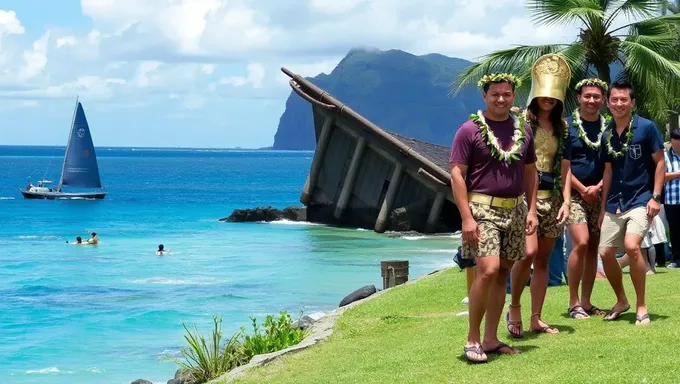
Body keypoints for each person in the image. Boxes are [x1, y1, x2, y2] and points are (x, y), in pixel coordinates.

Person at [450, 72, 537, 363]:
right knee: (487, 270)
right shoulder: (469, 130)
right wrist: (466, 218)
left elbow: (530, 171)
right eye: (495, 94)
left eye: (507, 94)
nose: (501, 99)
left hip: (516, 208)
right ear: (485, 96)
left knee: (503, 274)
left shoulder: (523, 130)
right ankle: (472, 339)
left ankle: (490, 338)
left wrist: (532, 209)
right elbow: (457, 175)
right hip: (482, 209)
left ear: (514, 96)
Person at [507, 54, 571, 337]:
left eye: (553, 96)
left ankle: (536, 317)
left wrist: (567, 201)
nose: (548, 100)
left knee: (544, 260)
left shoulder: (563, 127)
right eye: (544, 95)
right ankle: (515, 306)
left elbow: (566, 167)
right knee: (528, 253)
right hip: (525, 198)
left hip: (553, 196)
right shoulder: (520, 121)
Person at [597, 80, 665, 327]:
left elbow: (660, 162)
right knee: (604, 252)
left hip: (641, 198)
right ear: (608, 103)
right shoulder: (606, 133)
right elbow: (607, 172)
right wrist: (602, 207)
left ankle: (641, 305)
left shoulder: (647, 128)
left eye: (623, 99)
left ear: (632, 102)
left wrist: (656, 197)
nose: (618, 104)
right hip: (614, 201)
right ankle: (621, 300)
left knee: (632, 246)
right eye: (614, 99)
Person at [564, 77, 609, 320]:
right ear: (579, 97)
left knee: (593, 247)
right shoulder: (567, 127)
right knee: (580, 242)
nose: (592, 101)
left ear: (603, 100)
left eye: (597, 97)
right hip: (574, 195)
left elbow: (612, 165)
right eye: (587, 96)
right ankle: (573, 302)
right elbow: (563, 167)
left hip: (601, 195)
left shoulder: (610, 128)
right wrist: (583, 189)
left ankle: (586, 301)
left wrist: (598, 187)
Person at [664, 128, 680, 268]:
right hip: (672, 200)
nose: (677, 147)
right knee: (674, 231)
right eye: (675, 144)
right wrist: (678, 173)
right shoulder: (665, 156)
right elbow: (661, 177)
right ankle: (676, 259)